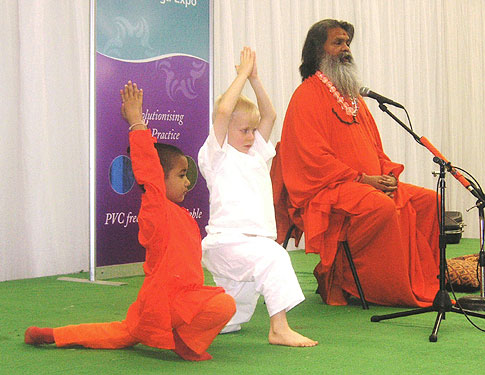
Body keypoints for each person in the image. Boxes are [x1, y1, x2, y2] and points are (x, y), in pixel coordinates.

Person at [24, 81, 236, 361]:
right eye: (181, 175)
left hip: (177, 304)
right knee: (223, 304)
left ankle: (51, 335)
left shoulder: (182, 215)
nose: (188, 182)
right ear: (159, 180)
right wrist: (136, 120)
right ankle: (181, 341)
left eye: (187, 175)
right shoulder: (156, 206)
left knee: (116, 334)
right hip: (160, 306)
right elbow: (147, 166)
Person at [274, 19, 440, 307]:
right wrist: (363, 180)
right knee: (381, 208)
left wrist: (387, 175)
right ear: (318, 50)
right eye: (337, 43)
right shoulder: (306, 96)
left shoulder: (354, 99)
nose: (345, 49)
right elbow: (312, 159)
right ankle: (366, 283)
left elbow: (376, 149)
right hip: (327, 189)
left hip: (369, 184)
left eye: (347, 43)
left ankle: (423, 280)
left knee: (429, 201)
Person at [198, 47, 317, 347]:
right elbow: (224, 112)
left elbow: (270, 114)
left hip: (252, 244)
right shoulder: (218, 155)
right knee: (275, 257)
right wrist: (239, 76)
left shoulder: (256, 155)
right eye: (244, 131)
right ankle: (279, 328)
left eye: (253, 130)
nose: (251, 136)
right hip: (228, 244)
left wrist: (255, 78)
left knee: (232, 315)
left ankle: (193, 324)